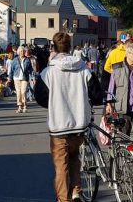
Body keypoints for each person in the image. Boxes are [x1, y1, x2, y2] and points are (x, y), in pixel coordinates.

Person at [34, 32, 102, 202]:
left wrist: (54, 104)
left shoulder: (48, 72)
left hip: (59, 127)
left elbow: (40, 97)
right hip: (79, 125)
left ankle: (64, 199)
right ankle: (76, 190)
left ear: (54, 47)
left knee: (61, 167)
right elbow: (97, 95)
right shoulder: (84, 69)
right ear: (70, 47)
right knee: (74, 158)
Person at [106, 43, 133, 153]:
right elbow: (111, 87)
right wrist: (109, 104)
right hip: (123, 107)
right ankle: (126, 154)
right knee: (124, 133)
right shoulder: (117, 67)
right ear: (127, 54)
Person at [7, 46, 33, 113]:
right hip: (16, 78)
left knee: (23, 92)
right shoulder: (15, 60)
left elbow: (30, 69)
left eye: (23, 51)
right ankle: (19, 107)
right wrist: (9, 78)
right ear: (18, 52)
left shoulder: (27, 60)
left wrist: (32, 77)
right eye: (21, 51)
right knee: (18, 93)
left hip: (24, 78)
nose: (22, 52)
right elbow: (11, 70)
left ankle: (25, 106)